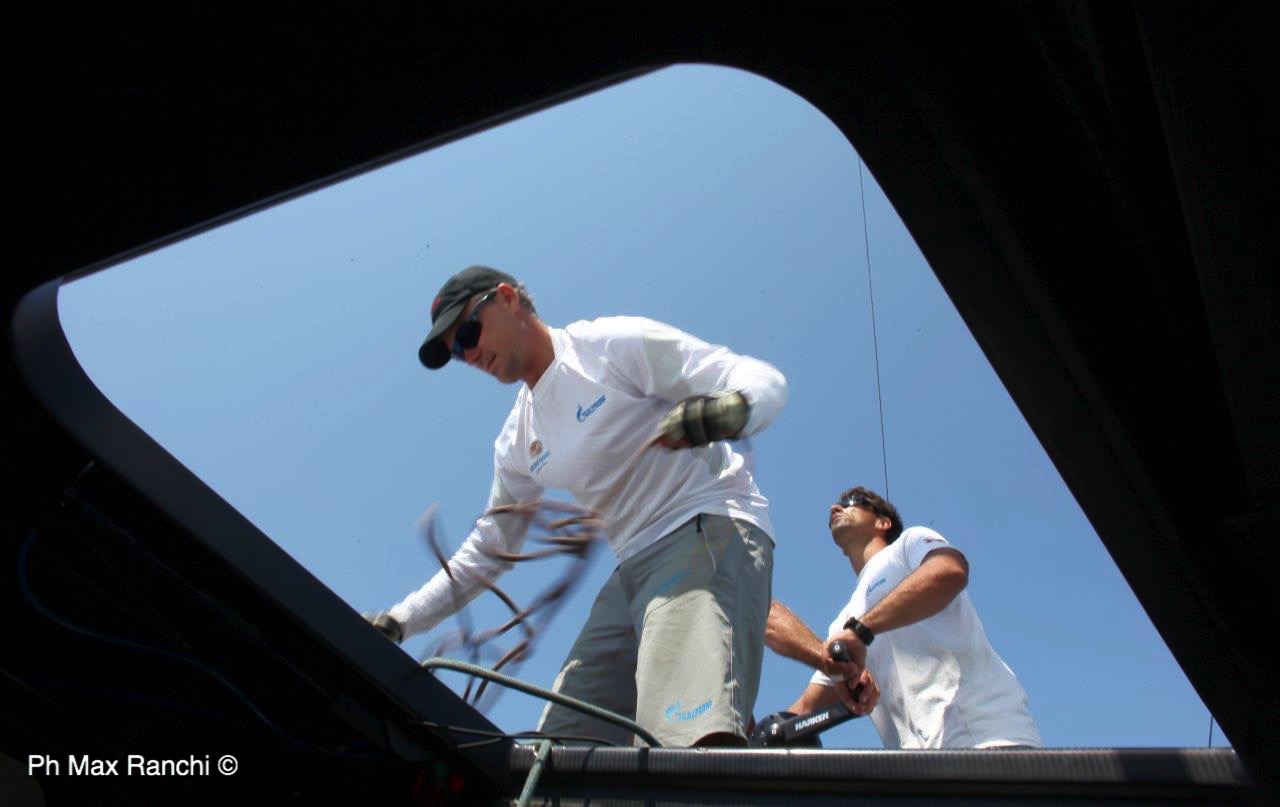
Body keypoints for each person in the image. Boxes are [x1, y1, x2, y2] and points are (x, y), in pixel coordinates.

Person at [366, 265, 787, 747]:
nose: (469, 354)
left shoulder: (609, 345)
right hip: (631, 569)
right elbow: (489, 548)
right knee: (556, 753)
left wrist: (736, 407)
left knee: (684, 742)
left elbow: (760, 379)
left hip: (703, 526)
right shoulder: (517, 439)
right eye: (457, 353)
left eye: (467, 333)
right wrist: (400, 621)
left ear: (507, 298)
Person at [767, 486, 1041, 749]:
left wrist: (861, 631)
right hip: (919, 772)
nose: (834, 508)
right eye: (831, 516)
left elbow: (949, 571)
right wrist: (754, 736)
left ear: (883, 522)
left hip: (990, 742)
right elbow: (804, 709)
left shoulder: (908, 545)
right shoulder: (841, 624)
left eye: (852, 501)